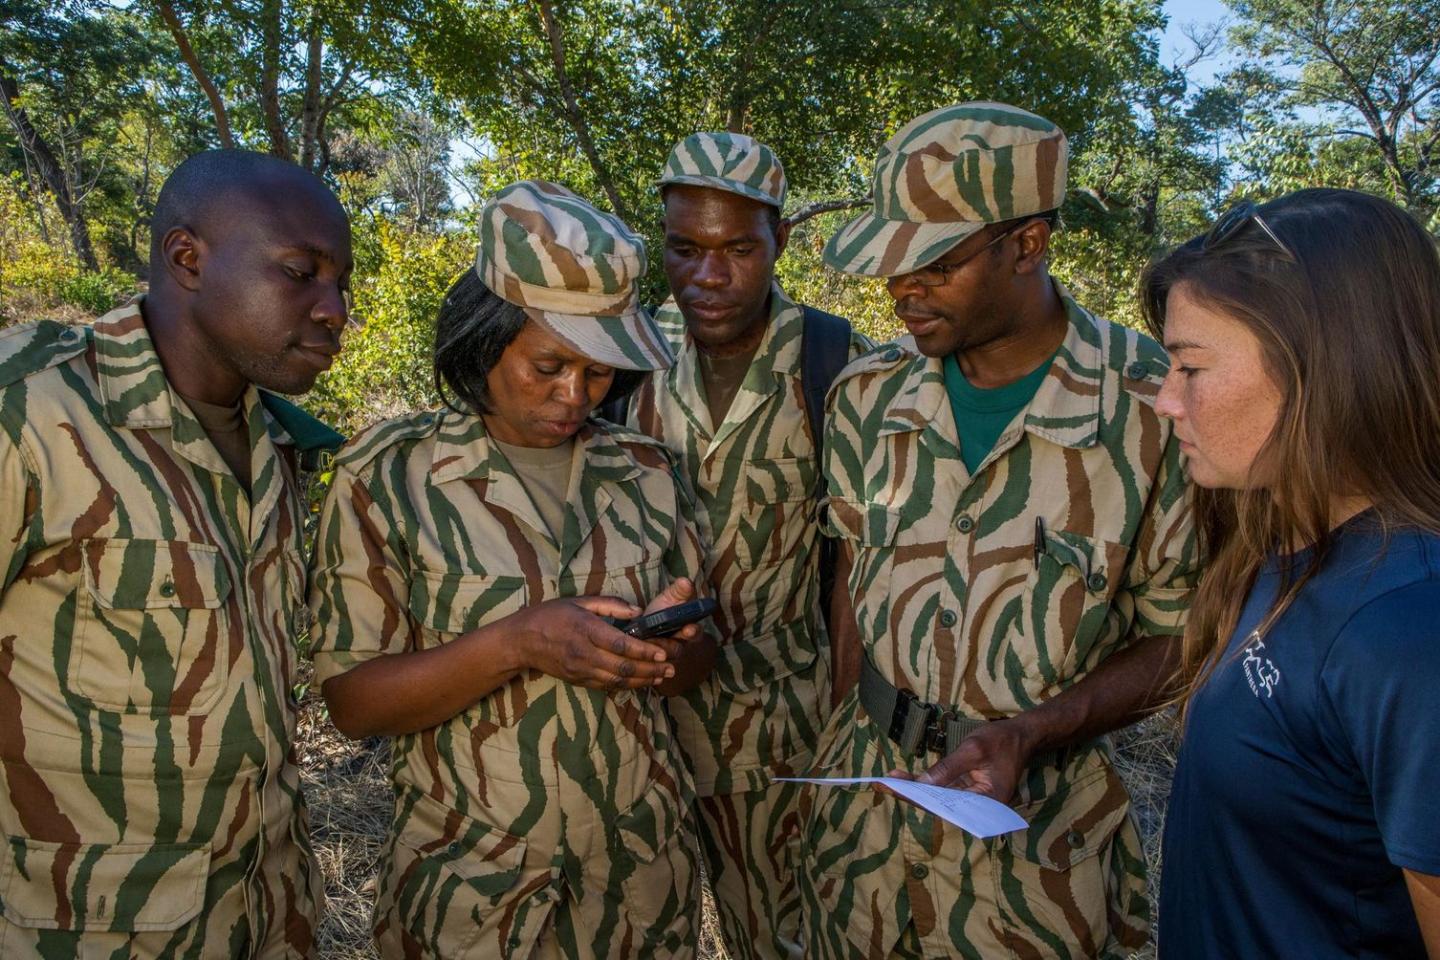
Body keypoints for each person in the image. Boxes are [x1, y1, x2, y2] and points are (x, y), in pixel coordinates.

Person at [800, 101, 1199, 958]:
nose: (900, 289)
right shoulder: (866, 399)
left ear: (1026, 244)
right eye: (890, 263)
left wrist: (1031, 731)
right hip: (860, 828)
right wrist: (845, 720)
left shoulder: (1152, 409)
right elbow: (852, 573)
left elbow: (1181, 635)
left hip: (1036, 855)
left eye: (932, 264)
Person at [307, 179, 716, 959]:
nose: (575, 395)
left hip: (638, 883)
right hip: (468, 888)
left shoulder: (646, 469)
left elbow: (703, 658)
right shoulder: (391, 473)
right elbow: (355, 704)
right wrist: (518, 643)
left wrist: (671, 655)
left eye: (598, 372)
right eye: (549, 365)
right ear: (485, 340)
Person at [0, 149, 347, 957]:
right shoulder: (34, 413)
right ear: (186, 258)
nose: (337, 310)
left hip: (266, 912)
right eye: (302, 272)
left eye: (344, 282)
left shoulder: (279, 447)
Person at [1146, 188, 1440, 958]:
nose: (1165, 400)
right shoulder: (1283, 551)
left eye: (1190, 366)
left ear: (1325, 367)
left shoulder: (1408, 626)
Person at [622, 131, 870, 960]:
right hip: (636, 730)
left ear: (780, 242)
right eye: (684, 249)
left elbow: (857, 568)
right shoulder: (625, 358)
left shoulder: (837, 365)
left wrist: (844, 732)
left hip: (783, 739)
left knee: (787, 940)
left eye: (736, 248)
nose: (707, 276)